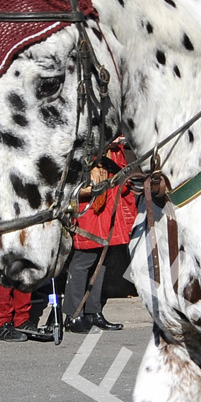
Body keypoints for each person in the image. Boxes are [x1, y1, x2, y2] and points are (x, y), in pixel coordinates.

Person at [64, 140, 137, 331]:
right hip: (89, 207)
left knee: (101, 260)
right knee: (84, 259)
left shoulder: (110, 156)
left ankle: (93, 311)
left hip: (106, 202)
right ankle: (74, 315)